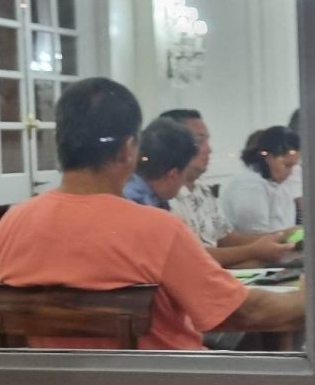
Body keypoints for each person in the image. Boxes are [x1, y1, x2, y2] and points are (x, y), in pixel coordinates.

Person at [0, 78, 302, 350]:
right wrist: (308, 296)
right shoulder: (156, 229)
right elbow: (243, 313)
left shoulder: (11, 225)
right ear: (129, 150)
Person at [159, 109, 295, 268]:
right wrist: (253, 251)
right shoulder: (163, 195)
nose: (209, 149)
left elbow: (230, 239)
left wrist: (283, 236)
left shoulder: (202, 190)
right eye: (199, 141)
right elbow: (189, 257)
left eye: (207, 141)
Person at [219, 126, 301, 234]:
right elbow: (256, 237)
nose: (290, 173)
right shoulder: (248, 185)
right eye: (287, 165)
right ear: (268, 158)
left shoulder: (279, 187)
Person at [121, 117, 197, 210]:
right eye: (185, 173)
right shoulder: (143, 208)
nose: (183, 183)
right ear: (172, 176)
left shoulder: (119, 187)